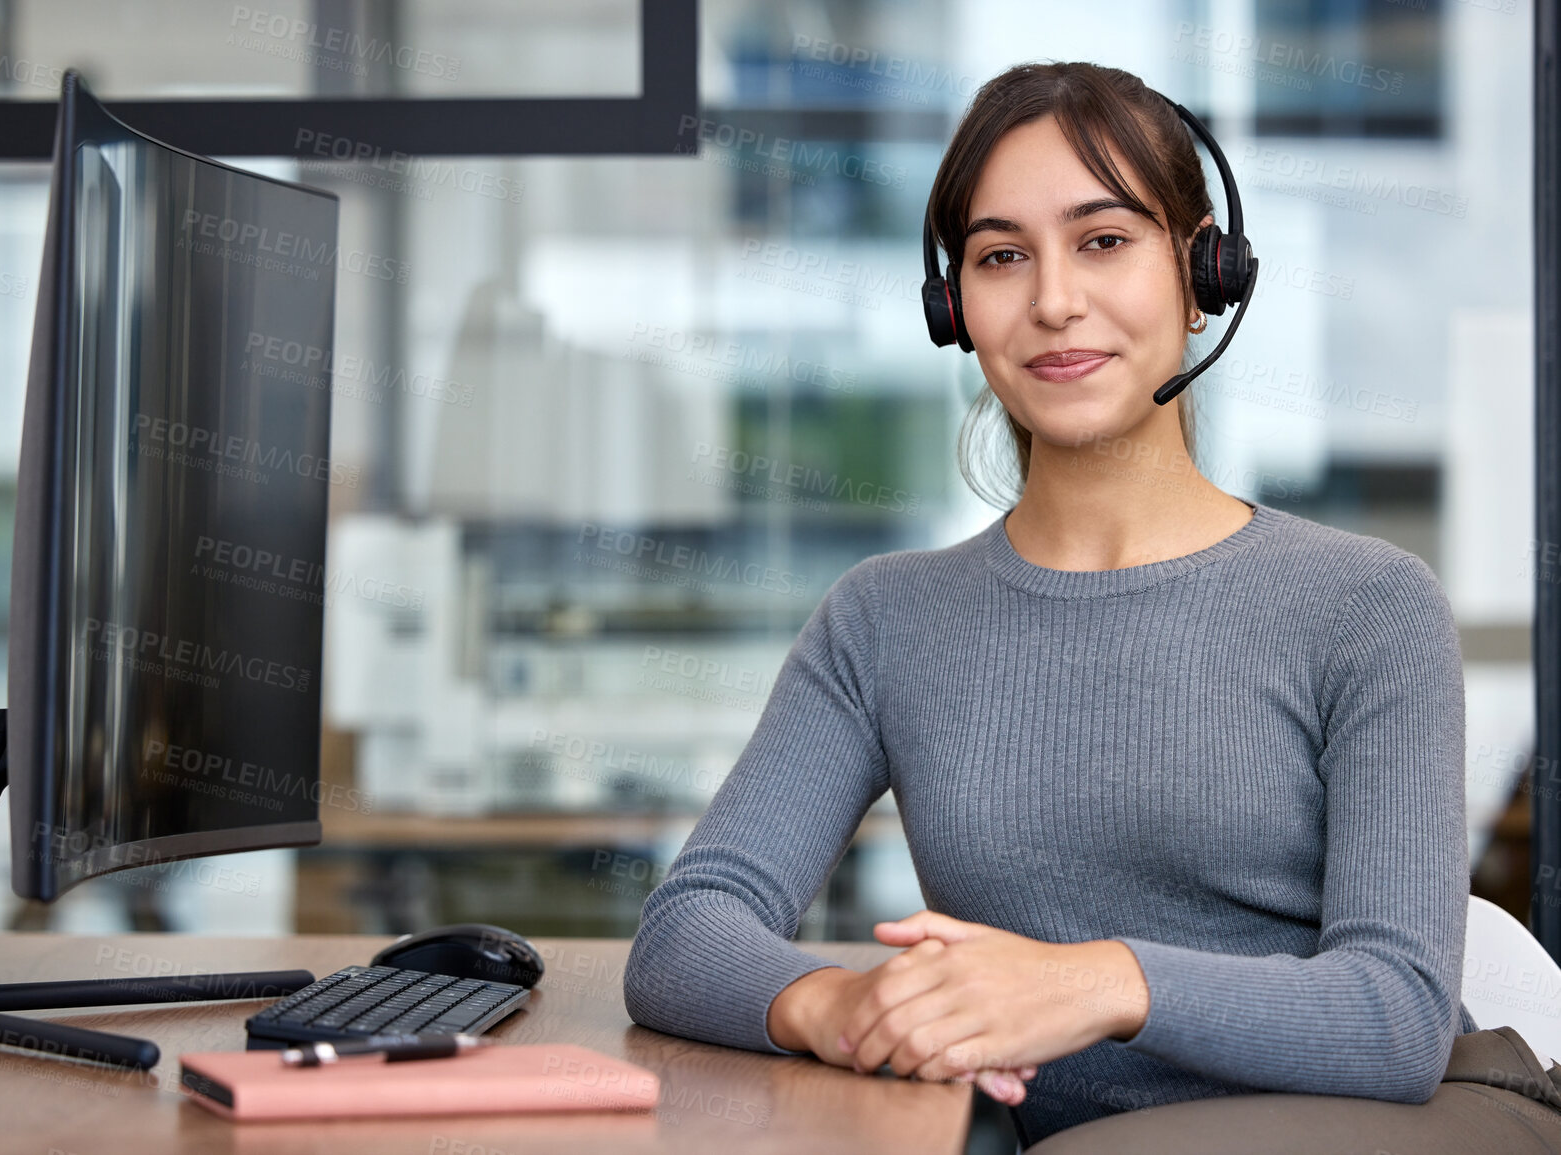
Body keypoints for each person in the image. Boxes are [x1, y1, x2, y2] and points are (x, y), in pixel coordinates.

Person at [621, 60, 1561, 1152]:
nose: (1053, 299)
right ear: (953, 307)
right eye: (1001, 256)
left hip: (1398, 1117)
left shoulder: (1366, 605)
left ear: (1201, 267)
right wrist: (833, 1004)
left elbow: (1393, 1018)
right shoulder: (884, 620)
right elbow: (684, 936)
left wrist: (1097, 985)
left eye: (1103, 240)